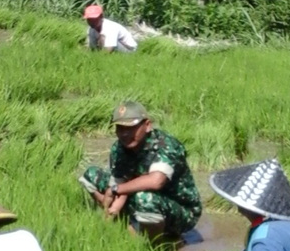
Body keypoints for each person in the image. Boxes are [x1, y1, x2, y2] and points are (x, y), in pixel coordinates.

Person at [79, 101, 202, 242]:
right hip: (139, 196)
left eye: (131, 128)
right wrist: (111, 210)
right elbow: (120, 181)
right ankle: (124, 226)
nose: (124, 134)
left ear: (147, 125)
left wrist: (115, 189)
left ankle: (153, 244)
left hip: (181, 210)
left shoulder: (165, 145)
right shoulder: (119, 149)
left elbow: (156, 181)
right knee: (91, 175)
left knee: (145, 198)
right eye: (120, 128)